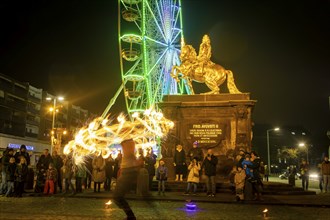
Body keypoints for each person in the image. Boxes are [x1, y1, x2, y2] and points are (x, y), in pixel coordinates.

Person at [113, 139, 146, 220]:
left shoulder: (129, 144)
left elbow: (133, 160)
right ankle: (130, 216)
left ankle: (131, 216)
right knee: (117, 197)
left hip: (128, 173)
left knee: (118, 197)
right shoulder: (128, 144)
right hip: (126, 173)